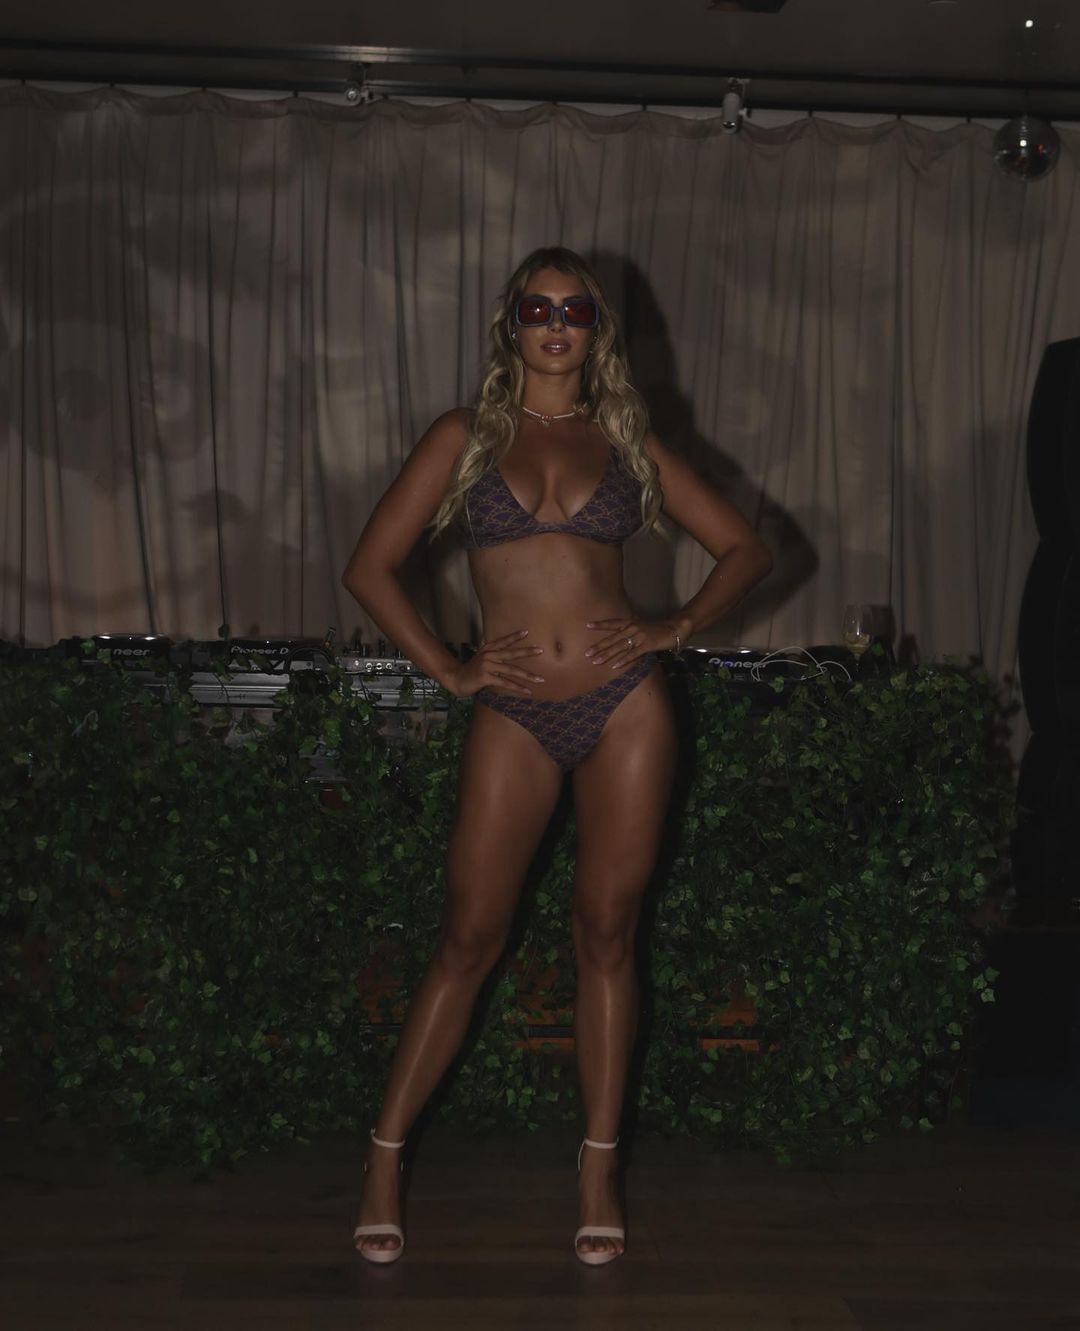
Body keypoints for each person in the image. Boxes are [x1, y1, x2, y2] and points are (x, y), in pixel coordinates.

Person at [341, 245, 772, 1266]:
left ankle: (598, 1166)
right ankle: (384, 1158)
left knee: (607, 934)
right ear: (511, 324)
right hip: (517, 710)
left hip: (627, 709)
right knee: (468, 937)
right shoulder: (465, 434)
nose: (555, 326)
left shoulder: (624, 436)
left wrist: (674, 626)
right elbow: (370, 566)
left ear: (596, 330)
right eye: (537, 308)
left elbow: (747, 547)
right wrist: (451, 670)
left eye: (574, 311)